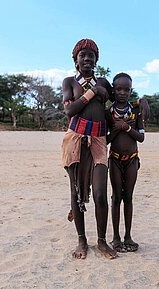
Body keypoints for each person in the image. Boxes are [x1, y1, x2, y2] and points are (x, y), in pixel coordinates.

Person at [62, 38, 118, 259]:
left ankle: (102, 241)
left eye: (91, 55)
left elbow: (122, 99)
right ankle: (82, 240)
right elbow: (70, 110)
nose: (87, 58)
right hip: (76, 139)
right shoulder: (70, 82)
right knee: (76, 193)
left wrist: (141, 103)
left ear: (96, 60)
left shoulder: (103, 81)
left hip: (98, 141)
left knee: (101, 193)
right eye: (82, 55)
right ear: (76, 61)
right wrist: (93, 92)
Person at [106, 73, 145, 252]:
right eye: (118, 89)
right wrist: (118, 127)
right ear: (113, 91)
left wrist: (127, 127)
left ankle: (128, 237)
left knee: (128, 197)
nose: (122, 92)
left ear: (131, 91)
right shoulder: (108, 113)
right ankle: (115, 238)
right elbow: (106, 140)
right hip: (114, 159)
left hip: (131, 160)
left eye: (126, 89)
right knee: (116, 198)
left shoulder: (136, 111)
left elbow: (141, 137)